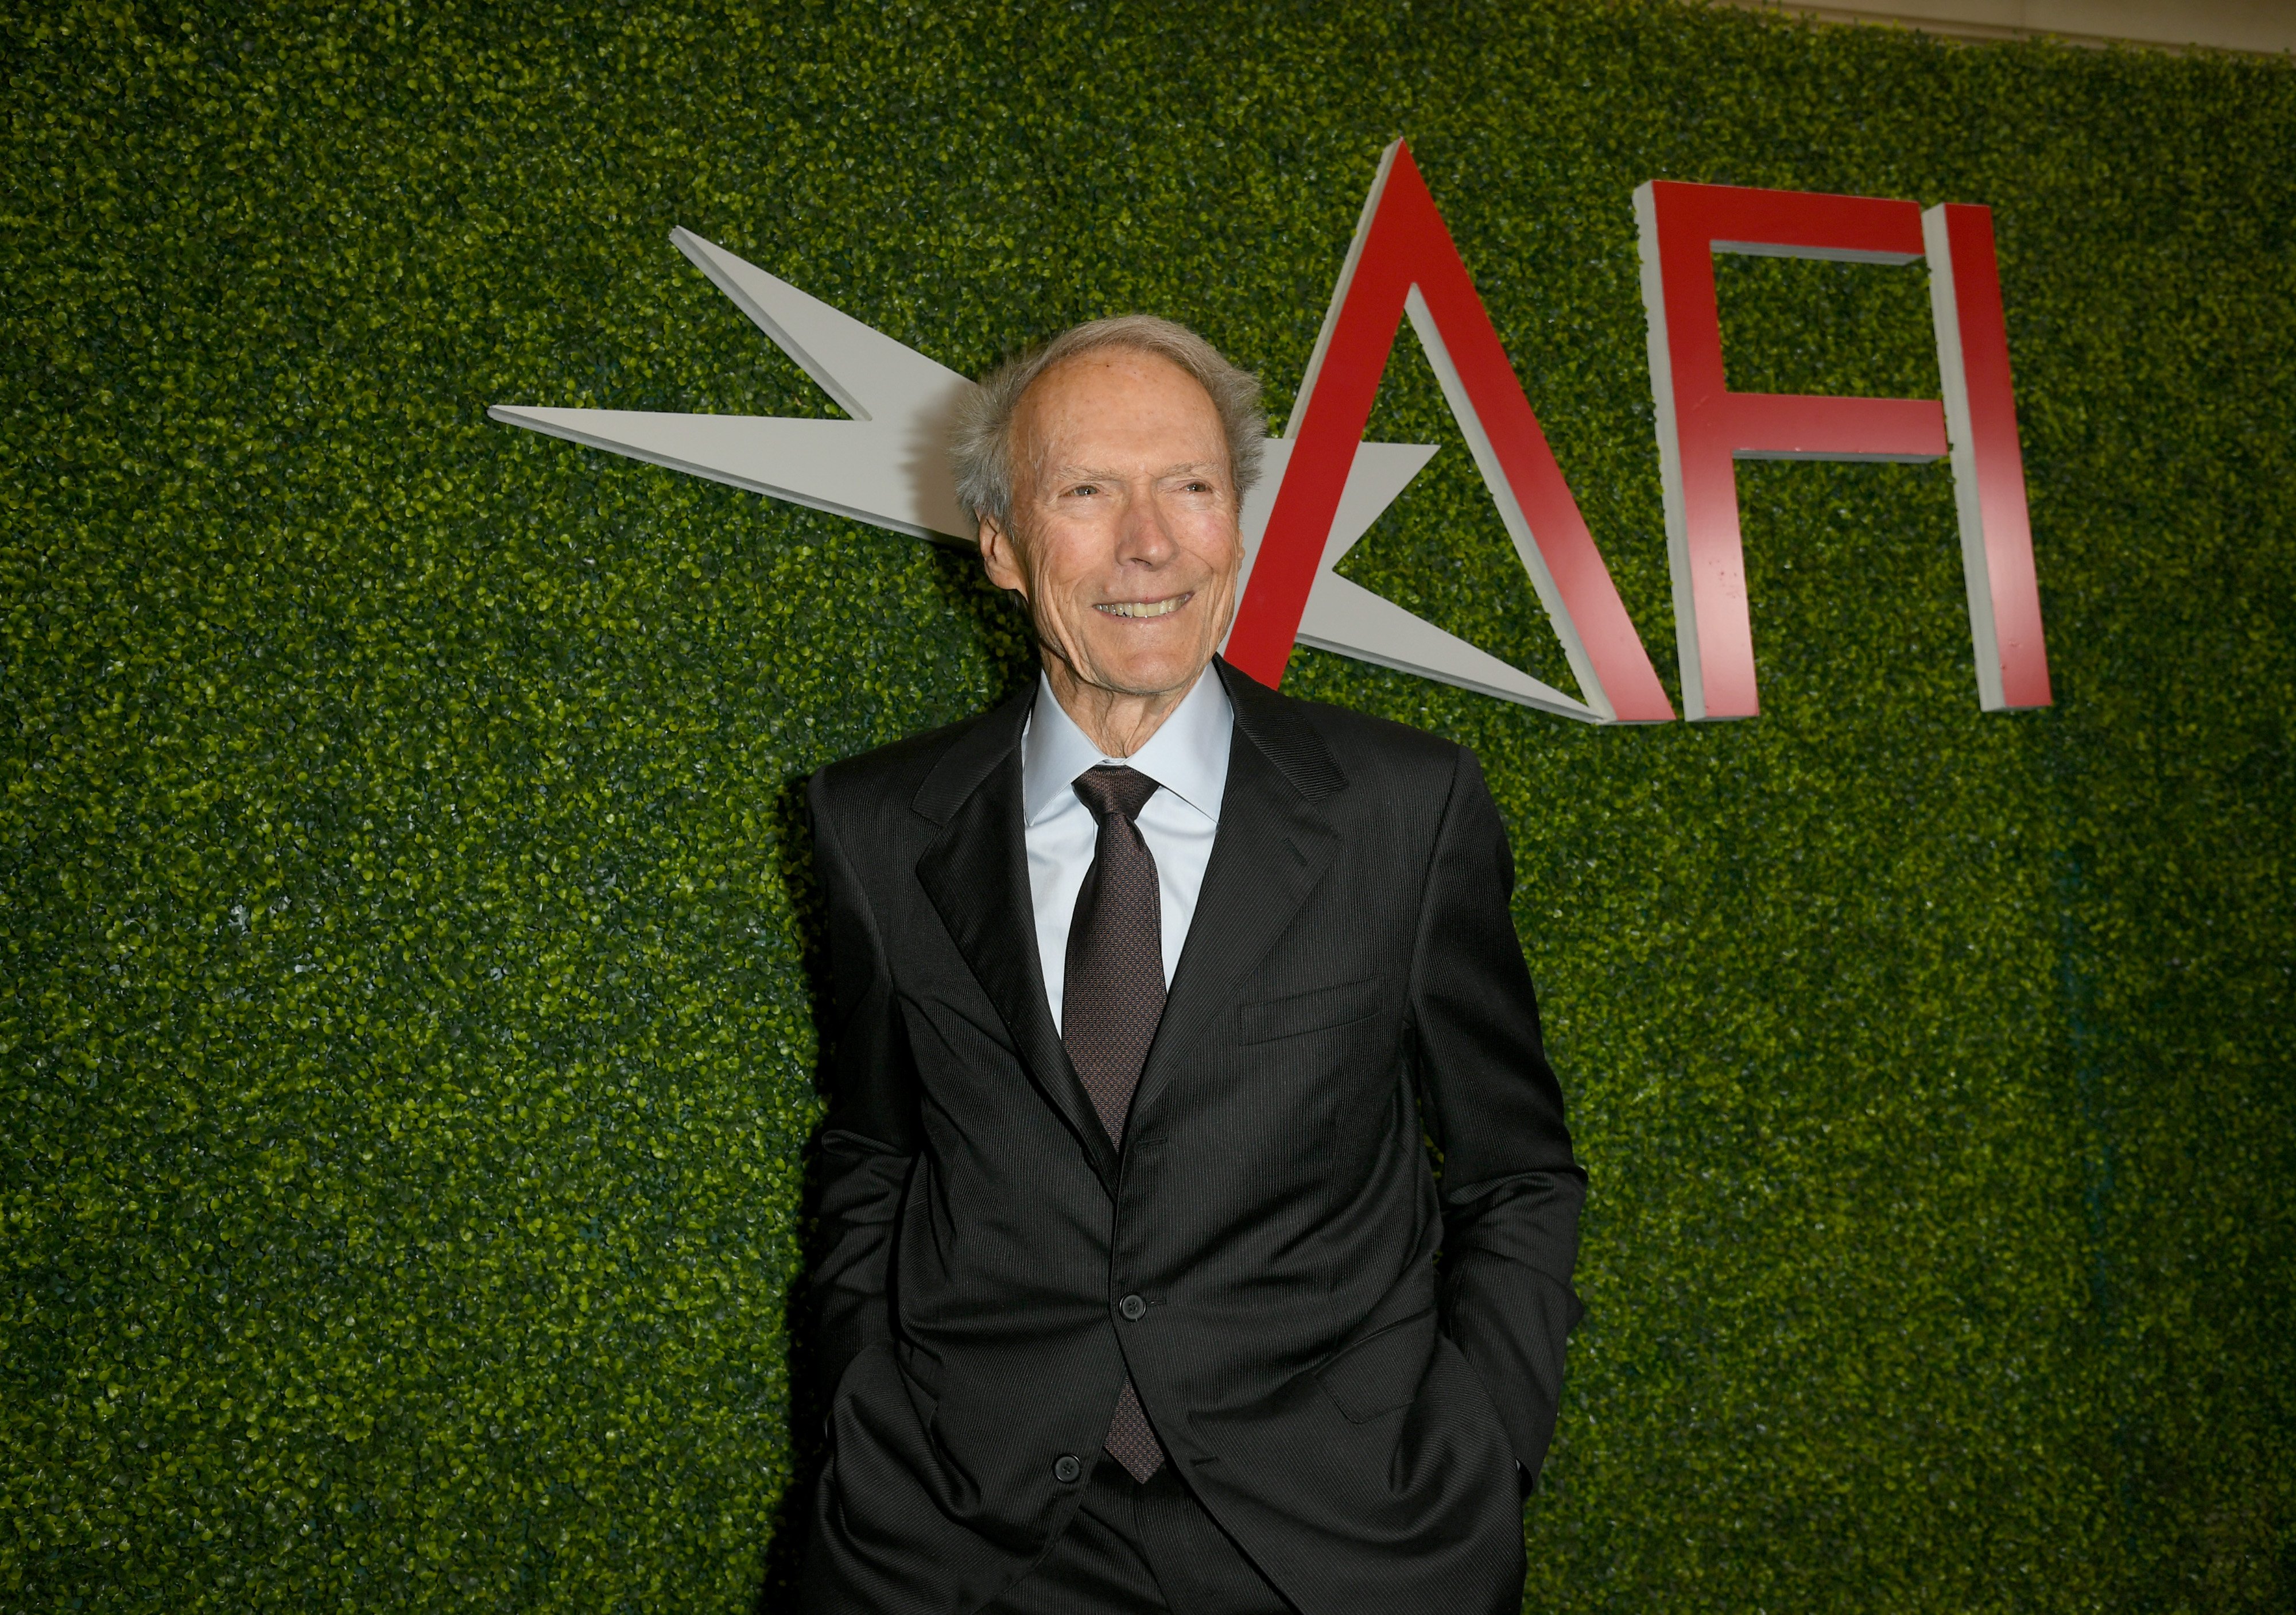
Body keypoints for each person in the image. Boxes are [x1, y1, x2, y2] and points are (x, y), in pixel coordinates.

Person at [800, 315, 1585, 1615]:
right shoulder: (875, 824)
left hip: (1341, 1545)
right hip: (956, 1548)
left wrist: (1483, 1447)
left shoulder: (1407, 807)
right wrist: (858, 1422)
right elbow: (873, 1157)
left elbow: (1514, 1168)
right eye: (1086, 493)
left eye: (1190, 487)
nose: (1148, 543)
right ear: (998, 546)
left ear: (1236, 519)